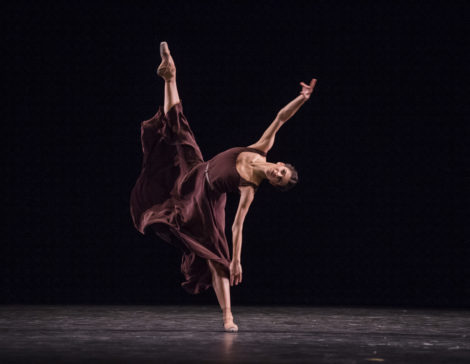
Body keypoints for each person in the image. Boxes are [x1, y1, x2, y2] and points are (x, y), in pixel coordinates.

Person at [130, 42, 316, 332]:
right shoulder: (261, 147)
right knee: (178, 129)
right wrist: (302, 98)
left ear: (273, 182)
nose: (278, 173)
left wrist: (237, 261)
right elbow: (281, 118)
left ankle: (228, 316)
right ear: (279, 162)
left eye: (279, 178)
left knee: (217, 256)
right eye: (282, 170)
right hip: (197, 169)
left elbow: (237, 227)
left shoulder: (250, 187)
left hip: (206, 201)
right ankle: (171, 76)